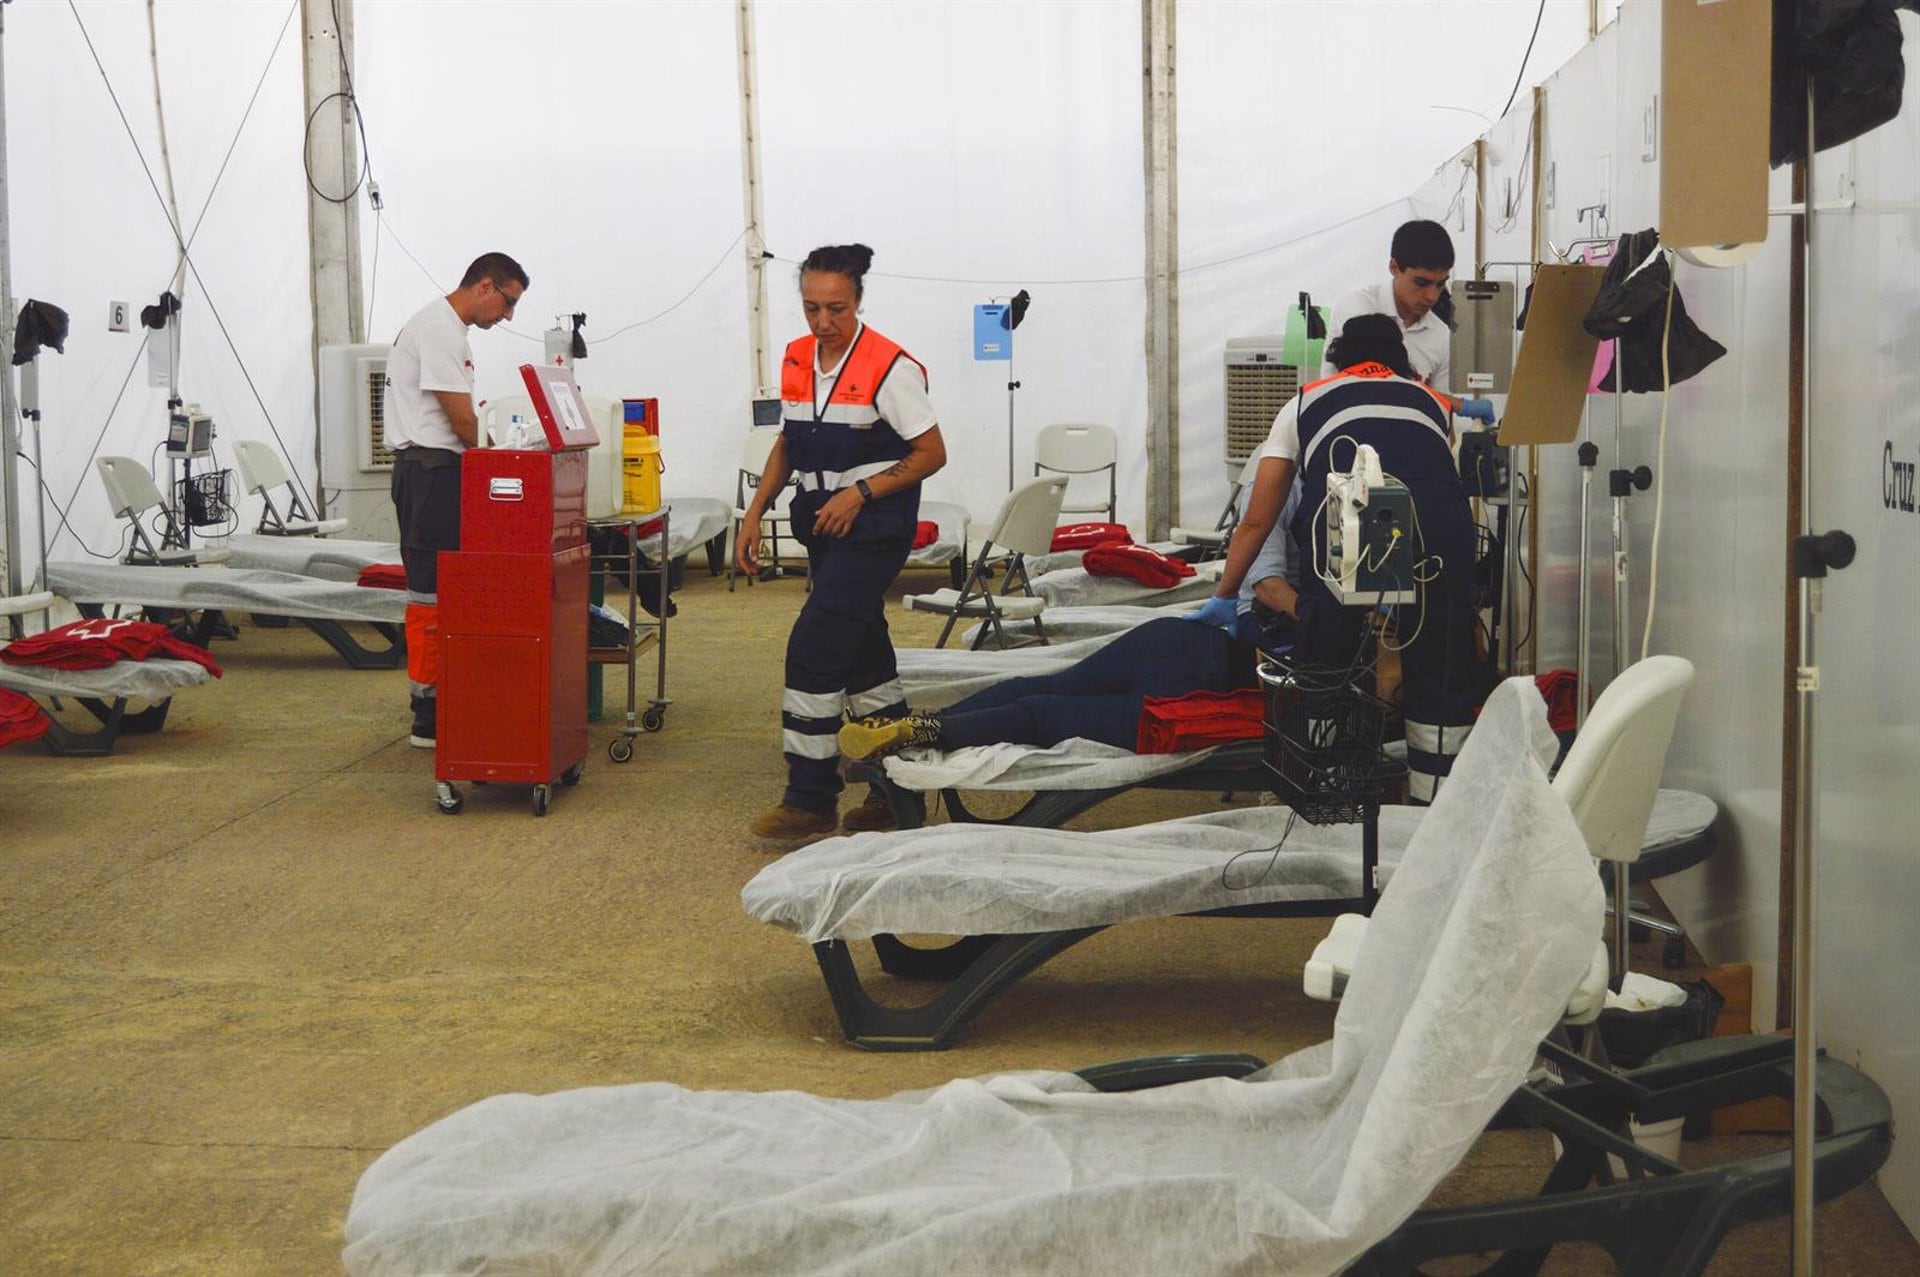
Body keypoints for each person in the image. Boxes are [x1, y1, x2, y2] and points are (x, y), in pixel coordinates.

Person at [1207, 314, 1481, 804]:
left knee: (1327, 654)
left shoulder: (1304, 401)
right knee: (1441, 661)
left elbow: (1256, 520)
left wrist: (1224, 597)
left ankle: (1327, 791)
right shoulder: (1431, 401)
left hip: (1343, 518)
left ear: (1337, 357)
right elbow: (1438, 473)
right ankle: (1431, 809)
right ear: (1400, 358)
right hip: (1441, 526)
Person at [738, 244, 947, 842]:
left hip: (873, 529)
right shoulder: (797, 358)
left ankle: (810, 796)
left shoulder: (890, 366)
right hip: (822, 524)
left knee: (815, 645)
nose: (823, 323)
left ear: (858, 301)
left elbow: (931, 453)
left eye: (836, 308)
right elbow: (789, 442)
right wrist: (755, 513)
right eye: (811, 309)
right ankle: (896, 786)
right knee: (864, 658)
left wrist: (861, 493)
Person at [838, 514, 1299, 760]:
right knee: (1042, 714)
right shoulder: (1340, 590)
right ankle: (930, 730)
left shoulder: (1279, 494)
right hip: (1203, 689)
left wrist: (1225, 597)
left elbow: (1254, 552)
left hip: (1181, 638)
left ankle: (922, 724)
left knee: (1045, 684)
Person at [384, 252, 528, 747]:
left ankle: (449, 696)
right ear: (486, 286)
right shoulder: (441, 330)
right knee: (431, 594)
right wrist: (494, 463)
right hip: (431, 472)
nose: (507, 316)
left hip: (435, 471)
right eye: (508, 303)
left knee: (448, 591)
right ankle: (428, 712)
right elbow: (461, 421)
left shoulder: (446, 329)